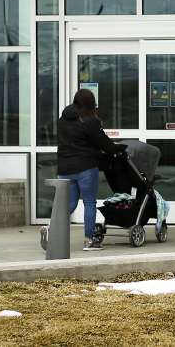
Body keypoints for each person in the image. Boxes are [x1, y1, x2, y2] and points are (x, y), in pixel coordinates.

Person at [57, 88, 127, 250]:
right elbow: (106, 146)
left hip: (65, 168)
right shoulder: (88, 121)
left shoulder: (62, 120)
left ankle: (51, 229)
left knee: (69, 203)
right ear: (90, 104)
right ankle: (89, 241)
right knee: (89, 202)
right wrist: (120, 148)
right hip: (85, 167)